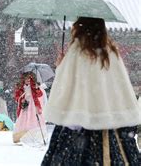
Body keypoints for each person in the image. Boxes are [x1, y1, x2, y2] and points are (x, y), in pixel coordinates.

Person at [42, 17, 141, 165]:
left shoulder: (76, 52)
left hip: (76, 126)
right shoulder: (111, 53)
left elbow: (66, 86)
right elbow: (120, 87)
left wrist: (60, 66)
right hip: (108, 126)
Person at [12, 72, 46, 144]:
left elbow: (40, 94)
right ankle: (22, 136)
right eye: (26, 78)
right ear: (23, 79)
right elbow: (17, 97)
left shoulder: (34, 87)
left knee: (34, 120)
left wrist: (37, 88)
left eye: (30, 78)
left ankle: (35, 136)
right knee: (24, 120)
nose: (28, 80)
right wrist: (21, 99)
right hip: (25, 107)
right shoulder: (21, 88)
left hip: (34, 106)